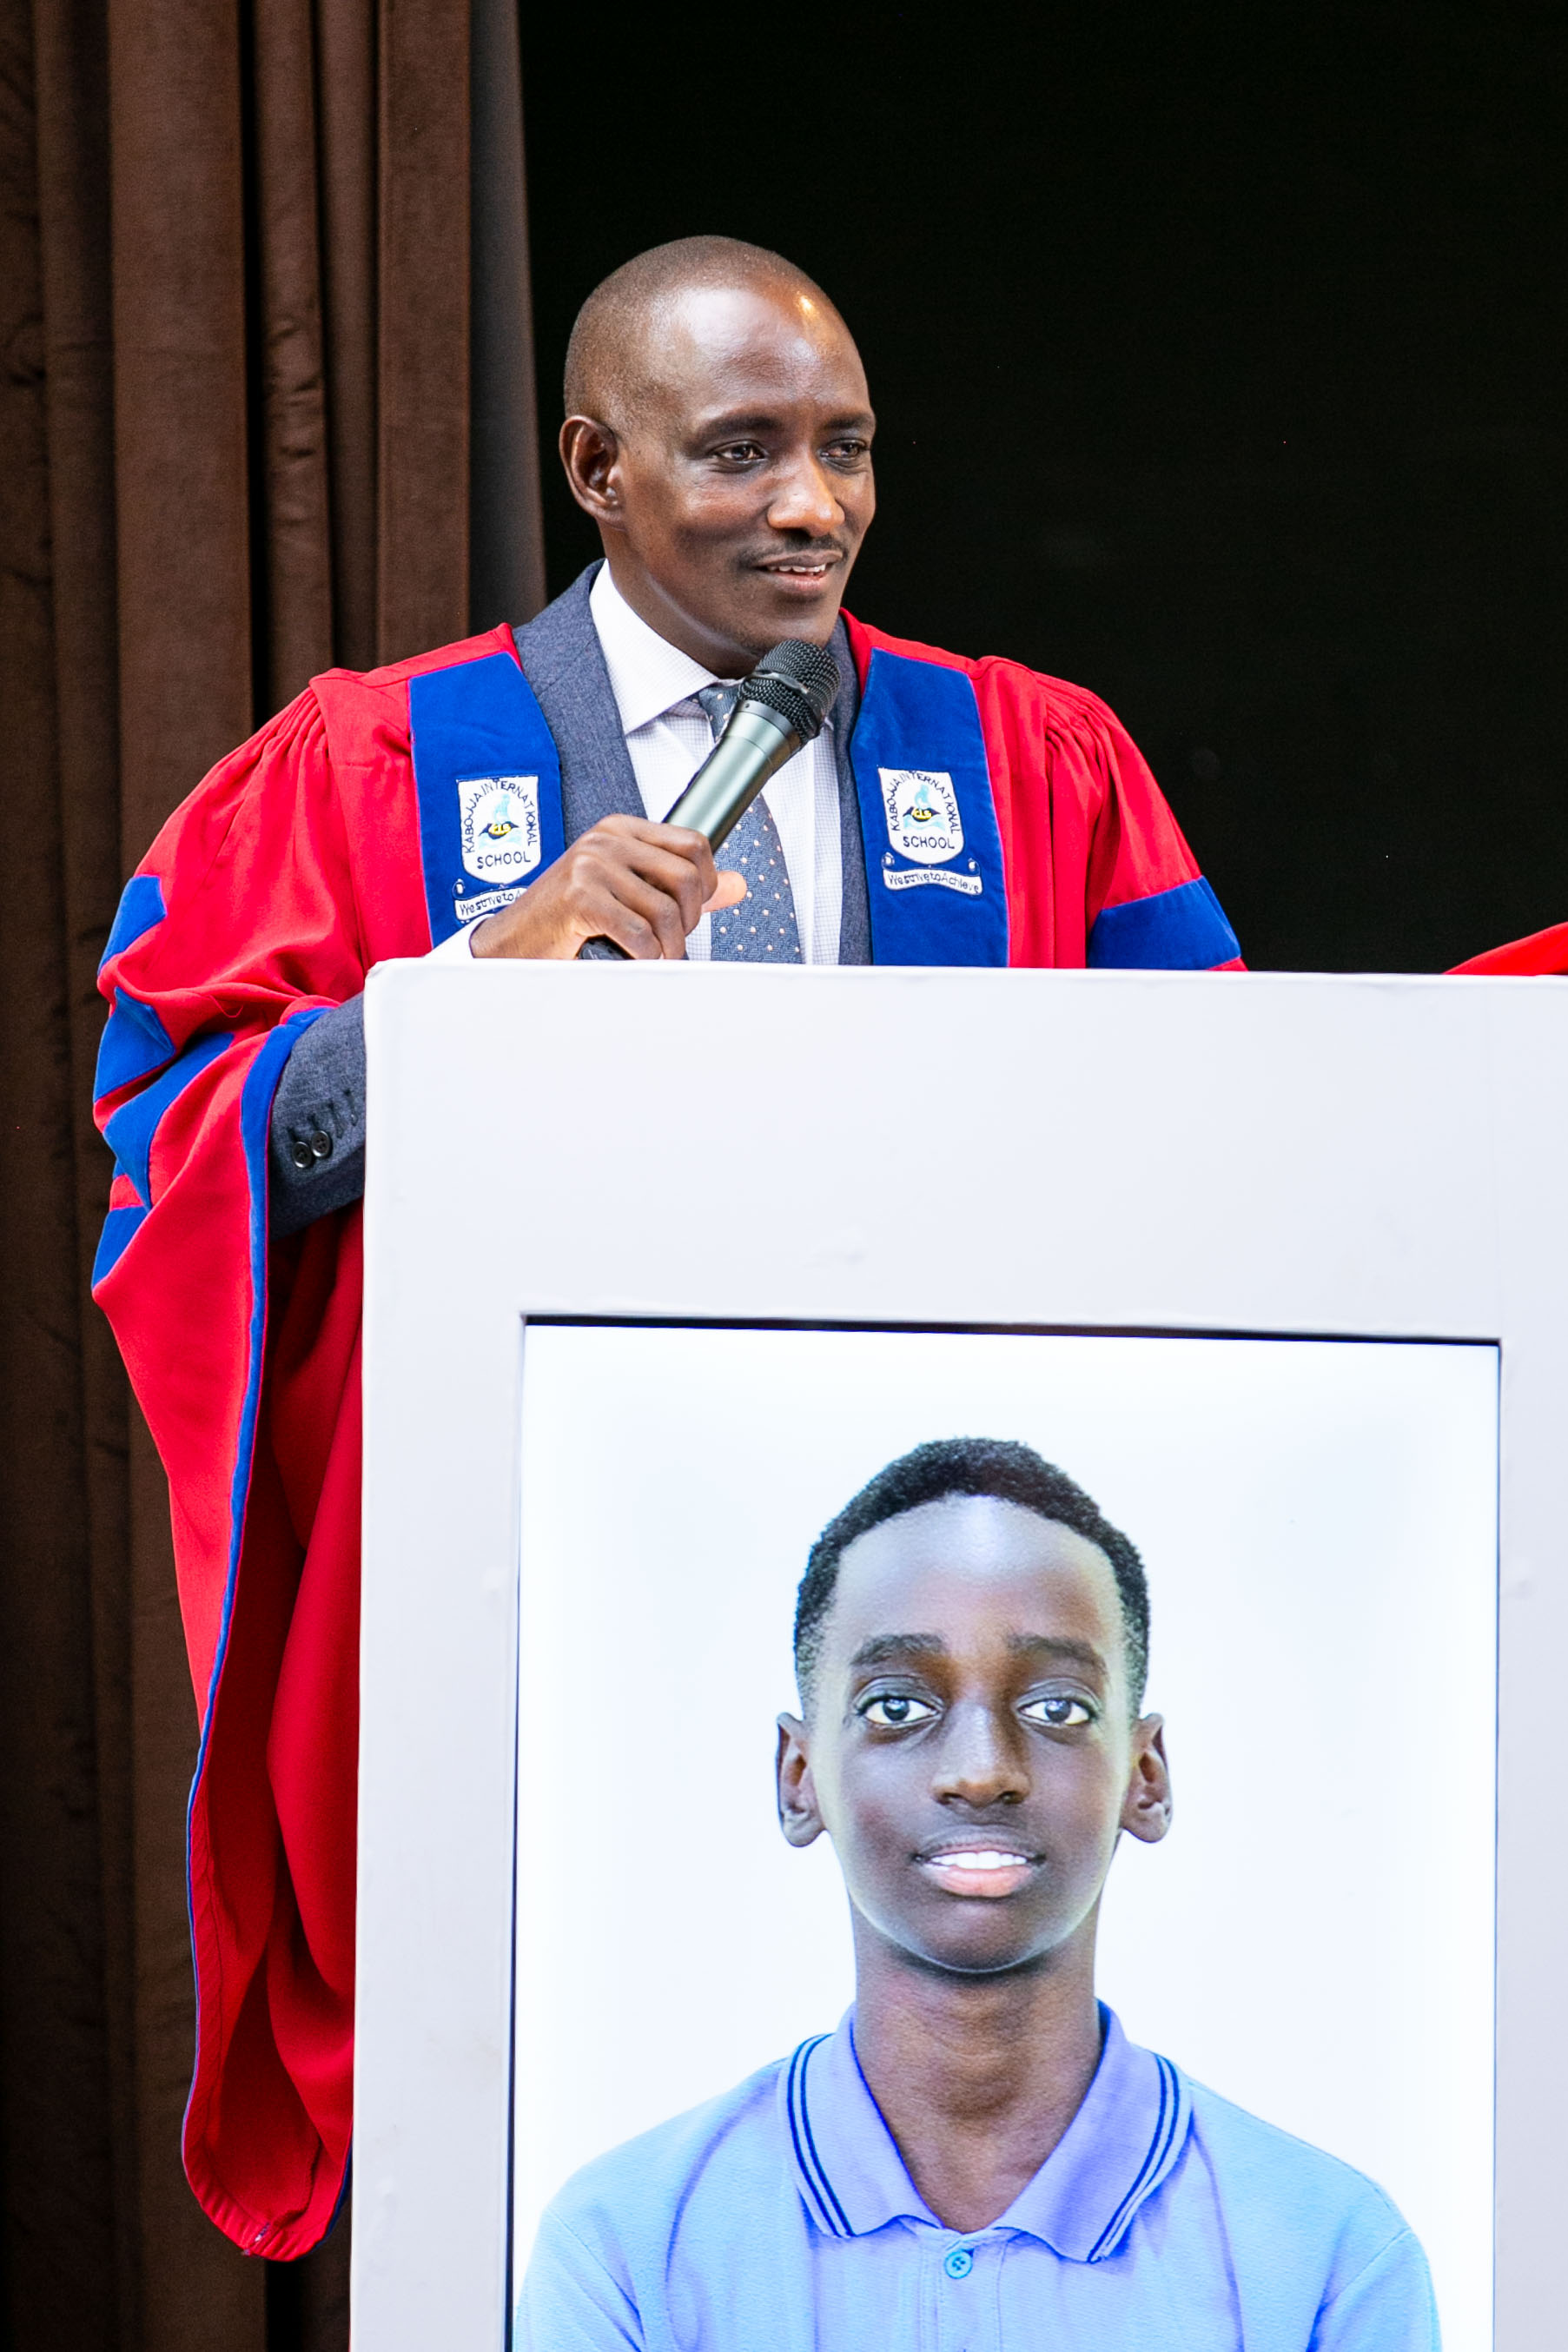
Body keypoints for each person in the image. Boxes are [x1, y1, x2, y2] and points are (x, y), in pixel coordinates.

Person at [91, 236, 1242, 2256]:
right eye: (737, 451)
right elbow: (173, 1133)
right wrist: (461, 985)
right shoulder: (373, 761)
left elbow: (1233, 1125)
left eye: (841, 449)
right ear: (591, 467)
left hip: (927, 1573)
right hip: (551, 1581)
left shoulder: (1026, 761)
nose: (808, 506)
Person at [519, 1438, 1437, 2349]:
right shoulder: (627, 2249)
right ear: (799, 1778)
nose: (980, 1770)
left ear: (1144, 1776)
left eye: (1056, 1709)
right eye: (896, 1707)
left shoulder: (1330, 2257)